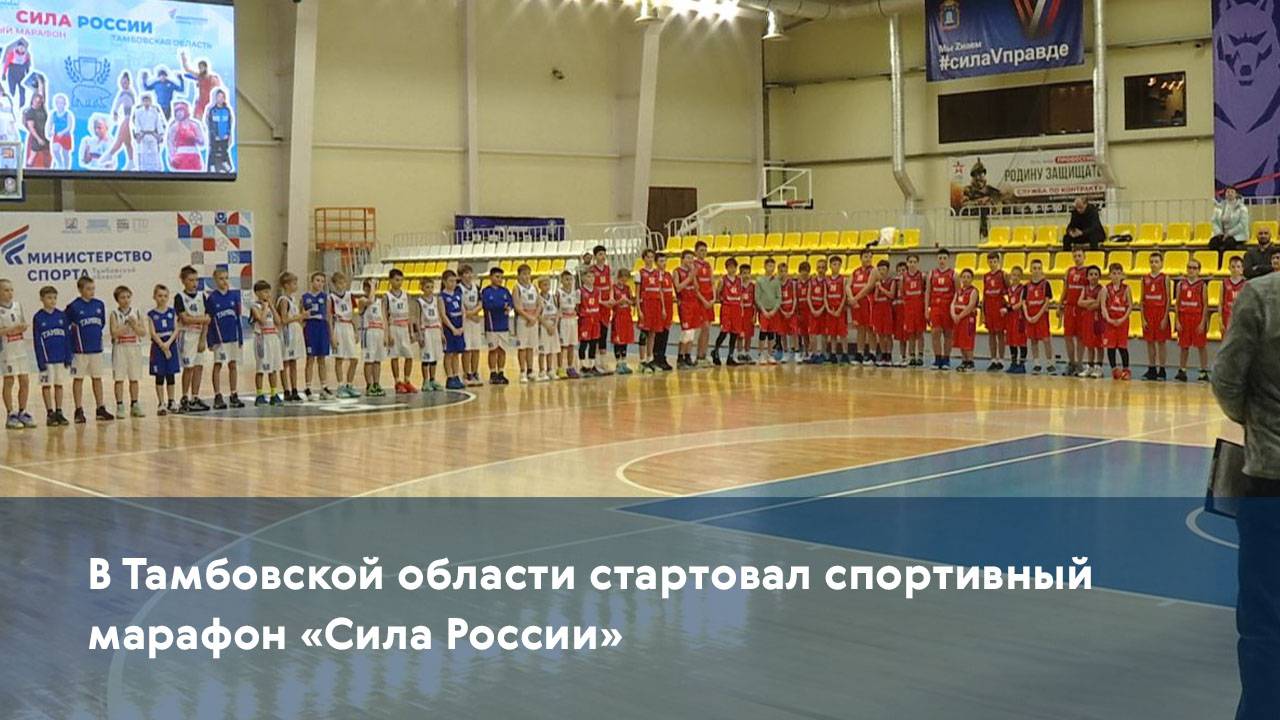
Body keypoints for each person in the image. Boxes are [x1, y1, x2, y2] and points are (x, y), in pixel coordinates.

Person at [1210, 268, 1280, 720]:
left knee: (1265, 623)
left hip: (1271, 478)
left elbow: (1227, 380)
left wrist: (1258, 425)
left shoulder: (1262, 295)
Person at [66, 276, 113, 423]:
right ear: (80, 290)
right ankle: (78, 409)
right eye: (88, 289)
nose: (91, 291)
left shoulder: (99, 304)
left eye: (93, 288)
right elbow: (66, 326)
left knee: (97, 378)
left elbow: (101, 323)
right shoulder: (73, 307)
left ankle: (100, 408)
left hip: (96, 349)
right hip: (80, 350)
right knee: (78, 379)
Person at [33, 286, 70, 426]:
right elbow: (37, 341)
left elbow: (67, 337)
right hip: (47, 359)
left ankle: (59, 411)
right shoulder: (38, 317)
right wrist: (40, 361)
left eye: (54, 298)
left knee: (59, 384)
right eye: (49, 298)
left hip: (60, 358)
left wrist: (68, 356)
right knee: (46, 385)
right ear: (41, 299)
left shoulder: (61, 316)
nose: (52, 300)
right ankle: (49, 412)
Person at [206, 269, 243, 408]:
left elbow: (238, 318)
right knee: (218, 365)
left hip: (233, 337)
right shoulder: (212, 298)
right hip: (219, 339)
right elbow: (209, 321)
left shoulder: (234, 296)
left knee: (233, 365)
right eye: (221, 278)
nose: (224, 281)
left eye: (226, 278)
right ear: (215, 280)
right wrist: (210, 340)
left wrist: (240, 337)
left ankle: (234, 394)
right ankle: (217, 395)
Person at [174, 266, 210, 412]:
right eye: (191, 280)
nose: (194, 283)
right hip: (187, 335)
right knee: (188, 368)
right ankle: (184, 397)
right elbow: (185, 319)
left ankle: (195, 396)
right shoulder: (179, 297)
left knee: (199, 367)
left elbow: (208, 319)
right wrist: (201, 319)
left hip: (199, 334)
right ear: (183, 281)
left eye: (196, 280)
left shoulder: (202, 296)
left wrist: (203, 339)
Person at [109, 286, 147, 418]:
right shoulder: (114, 314)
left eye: (128, 297)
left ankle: (135, 404)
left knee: (134, 378)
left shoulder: (137, 312)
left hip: (134, 347)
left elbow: (143, 332)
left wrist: (134, 325)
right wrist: (127, 326)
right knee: (119, 379)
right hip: (120, 348)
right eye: (122, 297)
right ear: (117, 300)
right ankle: (120, 405)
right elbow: (114, 333)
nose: (126, 300)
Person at [0, 278, 32, 429]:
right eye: (6, 290)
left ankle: (22, 411)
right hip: (7, 350)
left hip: (20, 348)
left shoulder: (18, 306)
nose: (10, 293)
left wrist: (23, 327)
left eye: (11, 290)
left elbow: (23, 323)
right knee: (9, 381)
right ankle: (10, 413)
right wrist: (11, 329)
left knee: (25, 380)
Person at [249, 280, 284, 406]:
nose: (268, 294)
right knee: (261, 368)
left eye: (269, 291)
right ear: (257, 293)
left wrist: (272, 307)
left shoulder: (270, 306)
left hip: (273, 338)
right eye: (265, 292)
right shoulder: (255, 306)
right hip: (262, 339)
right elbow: (262, 321)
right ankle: (259, 395)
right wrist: (264, 308)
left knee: (274, 368)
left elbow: (279, 322)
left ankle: (274, 394)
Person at [1174, 258, 1210, 382]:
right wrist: (1177, 321)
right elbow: (1177, 304)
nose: (1191, 270)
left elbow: (1205, 305)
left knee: (1201, 346)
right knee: (1184, 346)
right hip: (1184, 317)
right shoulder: (1180, 284)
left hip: (1197, 317)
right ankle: (1182, 370)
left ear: (1199, 270)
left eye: (1194, 268)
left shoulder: (1202, 285)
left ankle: (1203, 371)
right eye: (1189, 267)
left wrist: (1203, 322)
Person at [384, 268, 418, 394]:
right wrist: (387, 334)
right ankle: (397, 381)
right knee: (395, 356)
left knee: (409, 355)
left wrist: (411, 332)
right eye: (397, 280)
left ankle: (407, 380)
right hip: (394, 327)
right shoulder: (386, 296)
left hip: (404, 328)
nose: (399, 282)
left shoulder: (406, 295)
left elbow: (410, 315)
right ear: (390, 280)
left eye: (401, 280)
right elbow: (384, 316)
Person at [148, 285, 180, 416]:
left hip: (170, 344)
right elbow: (153, 333)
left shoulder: (172, 312)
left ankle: (171, 400)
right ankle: (161, 403)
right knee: (159, 375)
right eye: (160, 296)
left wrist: (168, 344)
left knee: (170, 374)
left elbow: (176, 329)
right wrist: (162, 345)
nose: (162, 298)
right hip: (158, 346)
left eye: (165, 296)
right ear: (154, 297)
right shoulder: (151, 314)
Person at [301, 271, 334, 400]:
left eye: (322, 281)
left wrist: (331, 335)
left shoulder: (326, 297)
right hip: (310, 328)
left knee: (322, 359)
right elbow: (301, 315)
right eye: (317, 280)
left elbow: (329, 317)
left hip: (322, 328)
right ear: (312, 281)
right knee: (310, 359)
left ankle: (324, 387)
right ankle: (308, 387)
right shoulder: (304, 297)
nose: (320, 283)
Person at [1141, 252, 1172, 381]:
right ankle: (1152, 368)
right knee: (1149, 343)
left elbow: (1168, 299)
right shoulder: (1144, 278)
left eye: (1156, 261)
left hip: (1160, 313)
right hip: (1148, 313)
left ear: (1161, 263)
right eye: (1151, 261)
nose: (1153, 264)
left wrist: (1165, 317)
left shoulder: (1165, 278)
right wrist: (1143, 318)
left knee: (1161, 342)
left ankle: (1162, 369)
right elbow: (1142, 299)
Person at [328, 272, 359, 398]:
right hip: (338, 326)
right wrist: (332, 336)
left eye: (344, 282)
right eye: (339, 283)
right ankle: (340, 385)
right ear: (334, 284)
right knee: (339, 358)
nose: (342, 285)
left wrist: (356, 331)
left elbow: (355, 314)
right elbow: (329, 318)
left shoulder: (350, 296)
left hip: (349, 326)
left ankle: (349, 384)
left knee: (354, 359)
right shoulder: (331, 298)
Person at [276, 273, 307, 403]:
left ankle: (294, 389)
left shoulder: (293, 299)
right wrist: (299, 316)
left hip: (295, 332)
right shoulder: (283, 300)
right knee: (285, 363)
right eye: (294, 283)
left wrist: (301, 320)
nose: (296, 285)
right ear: (286, 285)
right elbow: (283, 319)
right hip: (287, 333)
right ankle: (286, 390)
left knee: (293, 362)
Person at [481, 267, 513, 384]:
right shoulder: (486, 291)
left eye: (501, 277)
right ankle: (492, 373)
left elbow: (510, 303)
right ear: (491, 277)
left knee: (502, 350)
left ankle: (501, 372)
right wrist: (501, 306)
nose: (499, 279)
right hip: (492, 326)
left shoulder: (505, 291)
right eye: (497, 277)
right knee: (493, 350)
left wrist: (508, 307)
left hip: (504, 325)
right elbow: (488, 305)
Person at [1101, 263, 1132, 380]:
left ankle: (1126, 370)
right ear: (1110, 275)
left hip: (1122, 321)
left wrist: (1123, 319)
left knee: (1122, 347)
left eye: (1119, 273)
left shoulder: (1126, 288)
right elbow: (1103, 306)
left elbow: (1130, 306)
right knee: (1111, 347)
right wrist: (1108, 319)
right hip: (1110, 321)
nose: (1116, 276)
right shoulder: (1105, 289)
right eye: (1114, 273)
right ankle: (1114, 369)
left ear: (1122, 275)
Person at [1023, 259, 1054, 375]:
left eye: (1039, 268)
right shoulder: (1026, 286)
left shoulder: (1046, 284)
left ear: (1042, 270)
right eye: (1034, 268)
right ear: (1031, 270)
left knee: (1046, 340)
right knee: (1033, 340)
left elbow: (1047, 302)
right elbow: (1023, 302)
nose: (1036, 270)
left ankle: (1050, 363)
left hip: (1041, 316)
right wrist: (1027, 316)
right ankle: (1036, 364)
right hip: (1030, 316)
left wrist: (1038, 316)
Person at [927, 249, 956, 370]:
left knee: (948, 334)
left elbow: (957, 292)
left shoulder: (953, 274)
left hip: (948, 308)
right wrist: (926, 309)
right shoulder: (932, 273)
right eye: (940, 258)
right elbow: (928, 292)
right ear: (937, 259)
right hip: (935, 307)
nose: (942, 260)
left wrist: (954, 309)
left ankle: (946, 359)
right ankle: (937, 358)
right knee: (935, 333)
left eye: (944, 258)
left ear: (948, 259)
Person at [1061, 249, 1089, 377]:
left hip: (1081, 309)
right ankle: (1071, 363)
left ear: (1084, 257)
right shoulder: (1069, 271)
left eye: (1079, 256)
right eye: (1075, 256)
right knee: (1068, 336)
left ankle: (1079, 363)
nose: (1077, 258)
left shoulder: (1087, 272)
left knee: (1080, 337)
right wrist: (1060, 304)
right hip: (1069, 307)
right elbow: (1065, 289)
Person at [638, 249, 666, 373]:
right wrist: (639, 309)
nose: (649, 259)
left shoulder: (657, 273)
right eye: (647, 257)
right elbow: (638, 293)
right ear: (644, 258)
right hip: (645, 305)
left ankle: (650, 359)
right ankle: (642, 361)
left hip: (656, 305)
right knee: (644, 333)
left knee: (653, 333)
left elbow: (660, 291)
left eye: (651, 257)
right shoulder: (640, 273)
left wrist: (663, 308)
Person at [415, 277, 445, 391]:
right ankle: (425, 381)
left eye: (432, 287)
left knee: (434, 357)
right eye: (427, 287)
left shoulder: (436, 300)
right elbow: (417, 319)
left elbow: (439, 317)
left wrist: (442, 333)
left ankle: (433, 379)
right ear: (422, 288)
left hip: (435, 330)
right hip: (426, 331)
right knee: (426, 357)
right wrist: (420, 335)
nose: (430, 289)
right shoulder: (419, 302)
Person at [438, 270, 466, 390]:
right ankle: (449, 377)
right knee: (449, 353)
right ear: (444, 282)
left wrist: (462, 326)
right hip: (449, 327)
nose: (453, 283)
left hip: (459, 325)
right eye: (450, 281)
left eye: (455, 281)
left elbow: (463, 310)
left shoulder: (458, 294)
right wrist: (452, 328)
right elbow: (443, 315)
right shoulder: (442, 297)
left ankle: (456, 375)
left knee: (456, 353)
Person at [512, 264, 540, 383]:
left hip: (533, 319)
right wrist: (528, 317)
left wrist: (534, 317)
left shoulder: (534, 287)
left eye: (528, 274)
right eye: (524, 274)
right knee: (522, 347)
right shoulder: (517, 288)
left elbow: (539, 304)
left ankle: (530, 370)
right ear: (518, 275)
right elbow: (517, 307)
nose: (526, 276)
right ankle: (522, 371)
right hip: (522, 320)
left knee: (530, 346)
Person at [359, 278, 387, 397]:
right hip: (368, 331)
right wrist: (372, 287)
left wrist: (386, 334)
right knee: (369, 360)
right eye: (369, 287)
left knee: (377, 360)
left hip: (379, 331)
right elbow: (370, 301)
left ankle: (376, 383)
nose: (372, 289)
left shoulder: (380, 301)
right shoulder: (362, 300)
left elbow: (384, 318)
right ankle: (369, 385)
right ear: (365, 288)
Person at [1076, 266, 1104, 379]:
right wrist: (1091, 301)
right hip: (1087, 319)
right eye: (1091, 274)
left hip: (1098, 319)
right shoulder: (1085, 288)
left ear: (1099, 276)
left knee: (1099, 344)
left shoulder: (1101, 289)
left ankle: (1099, 367)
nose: (1093, 276)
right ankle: (1090, 366)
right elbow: (1079, 302)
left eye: (1096, 274)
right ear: (1087, 276)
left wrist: (1087, 303)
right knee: (1089, 344)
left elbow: (1098, 304)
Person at [459, 265, 484, 387]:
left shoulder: (476, 287)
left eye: (470, 273)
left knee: (476, 347)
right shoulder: (458, 289)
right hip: (465, 321)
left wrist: (474, 313)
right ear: (461, 276)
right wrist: (469, 315)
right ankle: (466, 373)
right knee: (467, 348)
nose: (469, 275)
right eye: (466, 273)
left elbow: (480, 303)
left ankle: (475, 372)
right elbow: (460, 306)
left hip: (475, 320)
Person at [712, 258, 741, 366]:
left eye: (734, 267)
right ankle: (715, 351)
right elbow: (718, 292)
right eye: (730, 267)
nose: (732, 269)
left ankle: (730, 356)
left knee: (734, 334)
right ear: (726, 268)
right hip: (727, 308)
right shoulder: (723, 280)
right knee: (724, 331)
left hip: (736, 308)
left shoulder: (739, 280)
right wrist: (720, 299)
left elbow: (741, 294)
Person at [982, 252, 1008, 371]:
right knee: (991, 334)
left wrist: (1007, 307)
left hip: (999, 308)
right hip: (989, 308)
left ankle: (1001, 359)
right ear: (987, 262)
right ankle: (993, 359)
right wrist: (983, 313)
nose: (992, 264)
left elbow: (1008, 291)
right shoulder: (986, 276)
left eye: (994, 261)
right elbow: (984, 294)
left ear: (998, 262)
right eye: (990, 261)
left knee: (1000, 334)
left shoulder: (1003, 274)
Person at [849, 250, 876, 364]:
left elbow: (869, 286)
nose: (868, 259)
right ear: (860, 258)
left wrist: (855, 298)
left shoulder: (873, 270)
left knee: (870, 328)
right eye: (866, 256)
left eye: (870, 257)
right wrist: (851, 298)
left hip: (867, 302)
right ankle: (859, 353)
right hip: (857, 304)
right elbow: (848, 286)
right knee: (860, 329)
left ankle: (872, 354)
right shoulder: (855, 272)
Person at [950, 269, 979, 372]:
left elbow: (970, 306)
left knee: (968, 341)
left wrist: (960, 316)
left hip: (968, 319)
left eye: (968, 277)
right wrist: (953, 315)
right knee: (960, 341)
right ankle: (964, 361)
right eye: (964, 277)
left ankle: (970, 362)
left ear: (972, 279)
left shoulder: (973, 291)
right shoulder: (958, 291)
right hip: (958, 319)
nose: (966, 279)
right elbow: (952, 304)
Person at [107, 72, 136, 170]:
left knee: (120, 139)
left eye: (125, 83)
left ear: (129, 82)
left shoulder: (127, 93)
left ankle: (109, 155)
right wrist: (115, 113)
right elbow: (118, 104)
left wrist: (115, 112)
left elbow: (119, 103)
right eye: (122, 83)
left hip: (129, 119)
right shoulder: (125, 92)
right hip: (127, 118)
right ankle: (131, 162)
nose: (123, 85)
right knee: (127, 142)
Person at [180, 52, 222, 121]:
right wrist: (183, 58)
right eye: (199, 67)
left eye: (201, 67)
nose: (200, 69)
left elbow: (218, 91)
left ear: (205, 68)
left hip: (209, 103)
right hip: (200, 102)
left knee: (210, 121)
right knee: (196, 120)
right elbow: (187, 69)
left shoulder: (212, 78)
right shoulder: (199, 76)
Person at [901, 254, 927, 368]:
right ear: (907, 263)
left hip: (919, 308)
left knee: (920, 333)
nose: (912, 264)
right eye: (910, 262)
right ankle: (911, 356)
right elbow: (902, 293)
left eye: (914, 262)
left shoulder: (922, 276)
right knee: (910, 333)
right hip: (909, 309)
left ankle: (920, 356)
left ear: (918, 263)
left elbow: (926, 291)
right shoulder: (903, 277)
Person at [165, 101, 205, 172]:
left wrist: (195, 139)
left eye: (180, 111)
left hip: (194, 156)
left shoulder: (195, 125)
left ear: (186, 111)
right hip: (180, 156)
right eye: (176, 112)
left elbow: (202, 142)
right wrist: (172, 157)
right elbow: (170, 143)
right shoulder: (174, 127)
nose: (178, 113)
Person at [755, 258, 781, 365]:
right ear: (765, 267)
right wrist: (763, 310)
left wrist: (774, 310)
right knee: (763, 332)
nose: (771, 268)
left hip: (773, 311)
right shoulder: (759, 280)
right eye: (769, 266)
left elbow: (779, 297)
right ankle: (761, 354)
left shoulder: (776, 281)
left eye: (773, 266)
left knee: (771, 333)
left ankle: (770, 354)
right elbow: (757, 297)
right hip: (764, 311)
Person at [577, 267, 603, 376]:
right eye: (588, 276)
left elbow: (599, 303)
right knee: (584, 343)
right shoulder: (580, 291)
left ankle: (592, 365)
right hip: (585, 320)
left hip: (595, 320)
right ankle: (583, 366)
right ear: (583, 278)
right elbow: (577, 306)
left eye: (592, 276)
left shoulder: (597, 291)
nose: (591, 278)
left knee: (593, 343)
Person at [131, 94, 166, 173]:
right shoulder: (138, 111)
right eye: (145, 101)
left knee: (154, 152)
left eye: (148, 101)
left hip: (152, 134)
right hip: (143, 134)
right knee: (144, 152)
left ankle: (156, 169)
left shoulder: (154, 111)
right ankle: (143, 170)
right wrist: (138, 134)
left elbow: (158, 123)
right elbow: (137, 123)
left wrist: (160, 134)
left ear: (150, 101)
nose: (146, 102)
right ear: (142, 102)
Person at [1210, 186, 1251, 252]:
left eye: (1232, 192)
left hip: (1237, 235)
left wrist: (1229, 234)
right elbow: (1214, 221)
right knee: (1213, 242)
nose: (1230, 193)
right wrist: (1219, 233)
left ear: (1236, 194)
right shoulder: (1219, 207)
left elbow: (1242, 224)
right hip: (1221, 234)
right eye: (1228, 192)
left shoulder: (1242, 208)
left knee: (1229, 243)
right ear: (1225, 194)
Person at [871, 260, 896, 366]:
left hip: (887, 309)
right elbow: (875, 298)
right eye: (879, 269)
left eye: (883, 269)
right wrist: (877, 288)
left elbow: (891, 295)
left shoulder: (892, 281)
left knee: (888, 334)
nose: (881, 271)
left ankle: (889, 355)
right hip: (878, 309)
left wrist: (881, 288)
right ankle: (883, 354)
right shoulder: (877, 282)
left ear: (888, 270)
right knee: (880, 334)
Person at [1004, 266, 1028, 374]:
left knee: (1021, 340)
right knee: (1011, 340)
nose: (1016, 277)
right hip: (1010, 318)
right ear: (1011, 276)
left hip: (1019, 317)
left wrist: (1009, 308)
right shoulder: (1008, 289)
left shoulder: (1023, 288)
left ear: (1021, 277)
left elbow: (1021, 303)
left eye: (1018, 275)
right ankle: (1013, 363)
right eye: (1014, 275)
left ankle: (1022, 364)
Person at [557, 270, 581, 379]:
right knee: (562, 346)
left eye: (570, 279)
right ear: (561, 280)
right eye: (566, 279)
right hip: (563, 320)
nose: (569, 282)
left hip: (573, 320)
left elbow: (577, 307)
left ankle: (570, 367)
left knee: (572, 345)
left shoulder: (575, 293)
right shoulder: (558, 293)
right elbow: (557, 308)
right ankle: (560, 367)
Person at [824, 256, 847, 363]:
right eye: (834, 264)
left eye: (838, 264)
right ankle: (833, 354)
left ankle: (845, 354)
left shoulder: (843, 279)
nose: (836, 266)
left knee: (842, 334)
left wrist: (839, 309)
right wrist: (828, 309)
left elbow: (844, 296)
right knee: (832, 333)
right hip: (830, 310)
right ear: (830, 266)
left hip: (840, 311)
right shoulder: (827, 280)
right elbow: (825, 295)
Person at [536, 276, 558, 382]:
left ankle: (550, 370)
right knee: (543, 351)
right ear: (540, 286)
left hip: (553, 325)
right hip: (543, 326)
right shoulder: (538, 298)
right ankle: (541, 371)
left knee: (551, 350)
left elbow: (558, 313)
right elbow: (538, 315)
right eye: (545, 285)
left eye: (548, 284)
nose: (547, 287)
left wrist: (554, 326)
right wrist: (547, 326)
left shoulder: (553, 297)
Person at [206, 89, 234, 173]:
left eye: (222, 97)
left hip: (224, 136)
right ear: (216, 98)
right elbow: (211, 125)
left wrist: (227, 134)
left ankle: (225, 162)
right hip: (215, 137)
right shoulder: (212, 110)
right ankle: (212, 165)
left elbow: (229, 123)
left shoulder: (227, 110)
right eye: (219, 97)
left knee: (224, 150)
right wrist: (215, 135)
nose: (220, 99)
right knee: (213, 151)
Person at [22, 88, 50, 169]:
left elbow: (42, 94)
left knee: (47, 155)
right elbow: (31, 128)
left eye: (40, 102)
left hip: (45, 135)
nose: (39, 104)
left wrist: (40, 83)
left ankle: (48, 170)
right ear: (33, 101)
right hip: (36, 136)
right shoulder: (30, 112)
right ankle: (27, 171)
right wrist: (38, 139)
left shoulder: (42, 109)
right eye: (37, 102)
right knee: (32, 156)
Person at [46, 94, 74, 170]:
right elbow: (50, 124)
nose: (60, 105)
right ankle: (60, 163)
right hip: (57, 136)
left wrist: (62, 132)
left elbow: (69, 127)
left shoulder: (68, 114)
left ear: (65, 104)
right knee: (55, 150)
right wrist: (49, 131)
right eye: (58, 103)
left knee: (65, 154)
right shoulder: (53, 114)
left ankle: (66, 168)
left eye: (61, 103)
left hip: (66, 136)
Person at [2, 39, 32, 107]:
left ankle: (22, 106)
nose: (21, 49)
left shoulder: (26, 55)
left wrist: (27, 73)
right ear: (17, 47)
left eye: (23, 48)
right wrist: (4, 73)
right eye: (20, 47)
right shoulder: (12, 54)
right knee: (12, 91)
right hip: (12, 74)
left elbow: (27, 64)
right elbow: (6, 64)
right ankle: (10, 104)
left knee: (22, 90)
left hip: (21, 74)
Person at [1222, 256, 1248, 332]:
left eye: (1238, 267)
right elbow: (1220, 303)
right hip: (1227, 316)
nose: (1235, 269)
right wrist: (1220, 320)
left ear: (1242, 269)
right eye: (1233, 267)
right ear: (1229, 268)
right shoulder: (1224, 283)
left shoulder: (1246, 284)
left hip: (1241, 317)